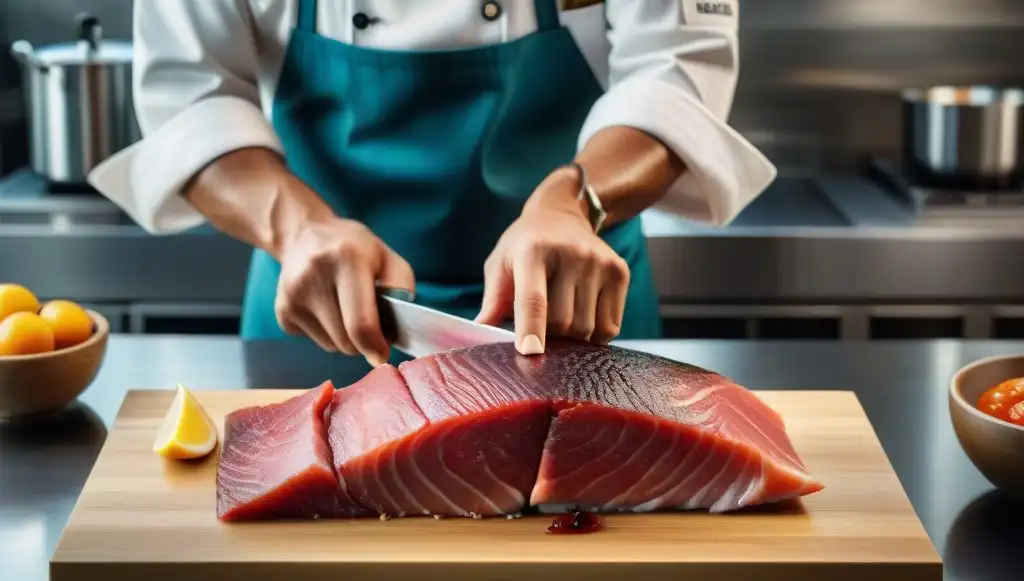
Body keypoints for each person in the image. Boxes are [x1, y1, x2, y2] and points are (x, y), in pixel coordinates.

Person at [90, 0, 775, 366]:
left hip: (575, 308)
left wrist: (574, 202)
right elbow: (192, 100)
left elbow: (672, 76)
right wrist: (299, 229)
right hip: (327, 312)